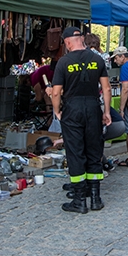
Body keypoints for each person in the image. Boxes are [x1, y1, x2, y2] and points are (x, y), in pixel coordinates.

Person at [50, 27, 112, 213]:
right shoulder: (97, 59)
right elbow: (106, 89)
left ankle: (79, 201)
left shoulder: (64, 62)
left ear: (67, 42)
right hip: (93, 107)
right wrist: (106, 111)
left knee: (75, 152)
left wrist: (57, 112)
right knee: (94, 150)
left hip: (72, 109)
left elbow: (56, 92)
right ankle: (95, 198)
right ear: (82, 39)